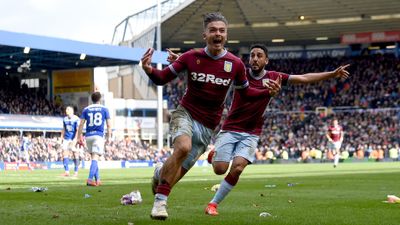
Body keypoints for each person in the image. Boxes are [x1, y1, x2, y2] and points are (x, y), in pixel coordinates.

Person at [141, 12, 279, 220]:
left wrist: (268, 92)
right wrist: (149, 69)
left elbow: (247, 93)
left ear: (226, 35)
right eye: (213, 30)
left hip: (208, 126)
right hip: (185, 113)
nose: (218, 34)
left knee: (180, 170)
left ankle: (161, 175)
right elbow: (162, 78)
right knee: (183, 148)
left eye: (222, 31)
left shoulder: (235, 64)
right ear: (204, 34)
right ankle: (160, 204)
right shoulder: (190, 57)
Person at [204, 43, 350, 216]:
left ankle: (213, 204)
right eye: (252, 55)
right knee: (219, 169)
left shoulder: (275, 77)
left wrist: (332, 74)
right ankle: (215, 155)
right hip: (231, 128)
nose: (255, 59)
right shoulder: (240, 74)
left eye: (259, 55)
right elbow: (214, 72)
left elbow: (303, 78)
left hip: (251, 132)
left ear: (266, 60)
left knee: (237, 168)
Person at [77, 92, 111, 186]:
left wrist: (79, 137)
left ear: (91, 99)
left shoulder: (86, 109)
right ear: (100, 99)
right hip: (98, 136)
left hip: (88, 136)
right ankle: (89, 179)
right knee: (95, 158)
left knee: (93, 158)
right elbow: (108, 125)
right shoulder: (104, 109)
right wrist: (109, 137)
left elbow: (81, 124)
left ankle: (98, 180)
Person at [60, 106, 80, 177]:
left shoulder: (76, 119)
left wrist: (75, 139)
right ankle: (66, 172)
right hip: (66, 138)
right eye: (66, 109)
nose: (66, 110)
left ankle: (76, 172)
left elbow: (78, 130)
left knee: (75, 154)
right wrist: (61, 138)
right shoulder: (64, 119)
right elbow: (63, 129)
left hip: (73, 138)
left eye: (68, 109)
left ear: (72, 111)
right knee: (64, 153)